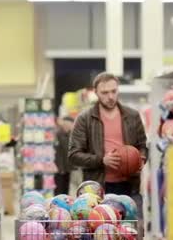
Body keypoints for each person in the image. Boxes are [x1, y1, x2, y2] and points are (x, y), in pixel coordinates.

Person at [68, 72, 148, 215]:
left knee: (133, 233)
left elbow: (142, 146)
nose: (110, 96)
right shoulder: (84, 119)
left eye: (113, 91)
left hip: (130, 187)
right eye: (105, 93)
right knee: (100, 234)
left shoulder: (133, 116)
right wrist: (102, 160)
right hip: (97, 190)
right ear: (96, 93)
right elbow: (74, 155)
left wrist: (140, 158)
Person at [54, 116, 74, 195]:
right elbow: (66, 147)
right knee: (59, 189)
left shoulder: (69, 134)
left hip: (67, 167)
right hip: (59, 167)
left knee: (66, 188)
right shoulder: (59, 134)